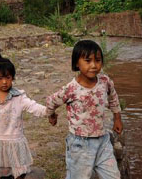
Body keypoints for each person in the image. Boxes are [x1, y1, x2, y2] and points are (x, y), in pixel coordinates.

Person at [46, 40, 123, 179]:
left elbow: (113, 97)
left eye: (98, 60)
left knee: (113, 176)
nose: (93, 65)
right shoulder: (71, 89)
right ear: (77, 63)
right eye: (88, 61)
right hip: (80, 144)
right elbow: (51, 101)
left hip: (103, 140)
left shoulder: (105, 81)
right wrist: (51, 115)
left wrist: (117, 118)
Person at [0, 49, 50, 179]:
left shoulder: (19, 96)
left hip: (15, 142)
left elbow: (33, 106)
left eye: (7, 78)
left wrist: (48, 111)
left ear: (12, 77)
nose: (4, 82)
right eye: (0, 78)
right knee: (4, 173)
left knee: (20, 172)